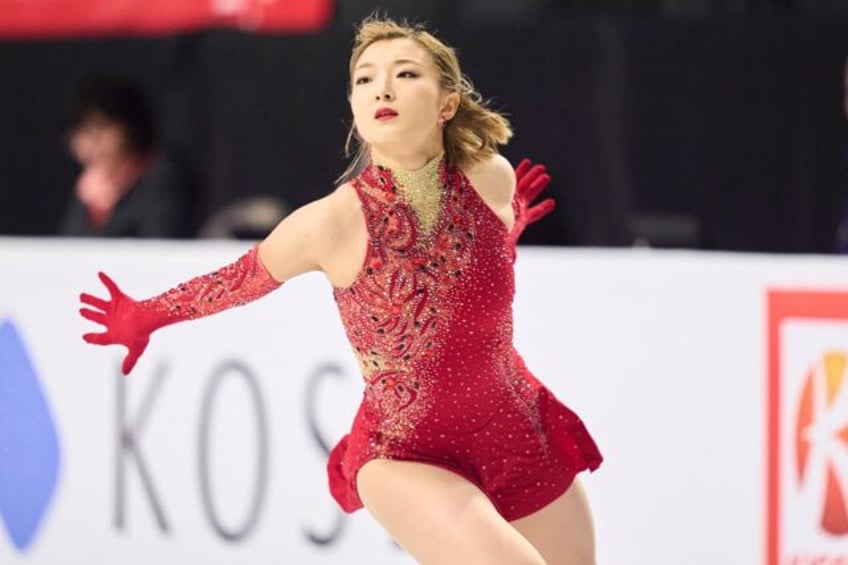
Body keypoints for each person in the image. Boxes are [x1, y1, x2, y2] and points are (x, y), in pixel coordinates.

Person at [78, 16, 602, 564]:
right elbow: (236, 279)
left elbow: (464, 288)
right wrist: (147, 315)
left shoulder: (490, 178)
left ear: (446, 103)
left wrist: (507, 232)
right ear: (354, 106)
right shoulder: (332, 223)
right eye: (365, 79)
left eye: (404, 73)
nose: (383, 88)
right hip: (407, 454)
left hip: (516, 423)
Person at [58, 75, 192, 238]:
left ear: (132, 128)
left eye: (101, 127)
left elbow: (158, 246)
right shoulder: (89, 187)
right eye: (83, 131)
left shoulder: (164, 179)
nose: (92, 142)